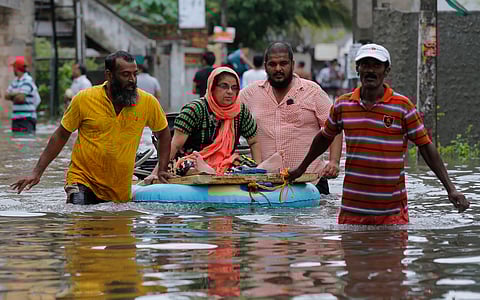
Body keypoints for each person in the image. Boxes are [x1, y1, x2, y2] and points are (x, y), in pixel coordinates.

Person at [288, 43, 470, 224]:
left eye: (376, 65)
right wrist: (302, 168)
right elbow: (324, 137)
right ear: (357, 69)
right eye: (365, 64)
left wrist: (450, 188)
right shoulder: (343, 105)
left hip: (391, 213)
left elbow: (425, 146)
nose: (370, 70)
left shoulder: (402, 107)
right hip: (353, 210)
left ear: (386, 70)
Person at [10, 50, 172, 205]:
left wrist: (162, 169)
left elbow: (164, 133)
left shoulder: (147, 102)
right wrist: (37, 172)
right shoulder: (84, 99)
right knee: (80, 218)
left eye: (134, 74)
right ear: (109, 75)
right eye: (125, 74)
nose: (132, 80)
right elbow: (60, 135)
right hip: (82, 179)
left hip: (118, 189)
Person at [239, 42, 343, 195]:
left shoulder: (312, 92)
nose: (278, 69)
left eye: (283, 63)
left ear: (292, 64)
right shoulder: (250, 94)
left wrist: (334, 162)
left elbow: (336, 127)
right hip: (266, 186)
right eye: (272, 64)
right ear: (265, 66)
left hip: (310, 183)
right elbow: (226, 114)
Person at [145, 66, 261, 183]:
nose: (230, 91)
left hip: (225, 161)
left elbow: (254, 141)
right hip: (190, 159)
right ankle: (206, 170)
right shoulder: (195, 109)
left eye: (234, 88)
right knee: (187, 166)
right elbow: (174, 145)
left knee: (247, 164)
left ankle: (213, 171)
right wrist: (156, 173)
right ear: (212, 88)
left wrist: (259, 172)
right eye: (224, 86)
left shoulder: (240, 111)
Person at [5, 56, 41, 134]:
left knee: (26, 142)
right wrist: (18, 93)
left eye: (13, 67)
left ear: (16, 68)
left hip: (27, 118)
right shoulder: (15, 81)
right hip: (16, 118)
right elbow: (6, 96)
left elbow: (20, 98)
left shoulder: (28, 80)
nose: (13, 70)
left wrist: (14, 95)